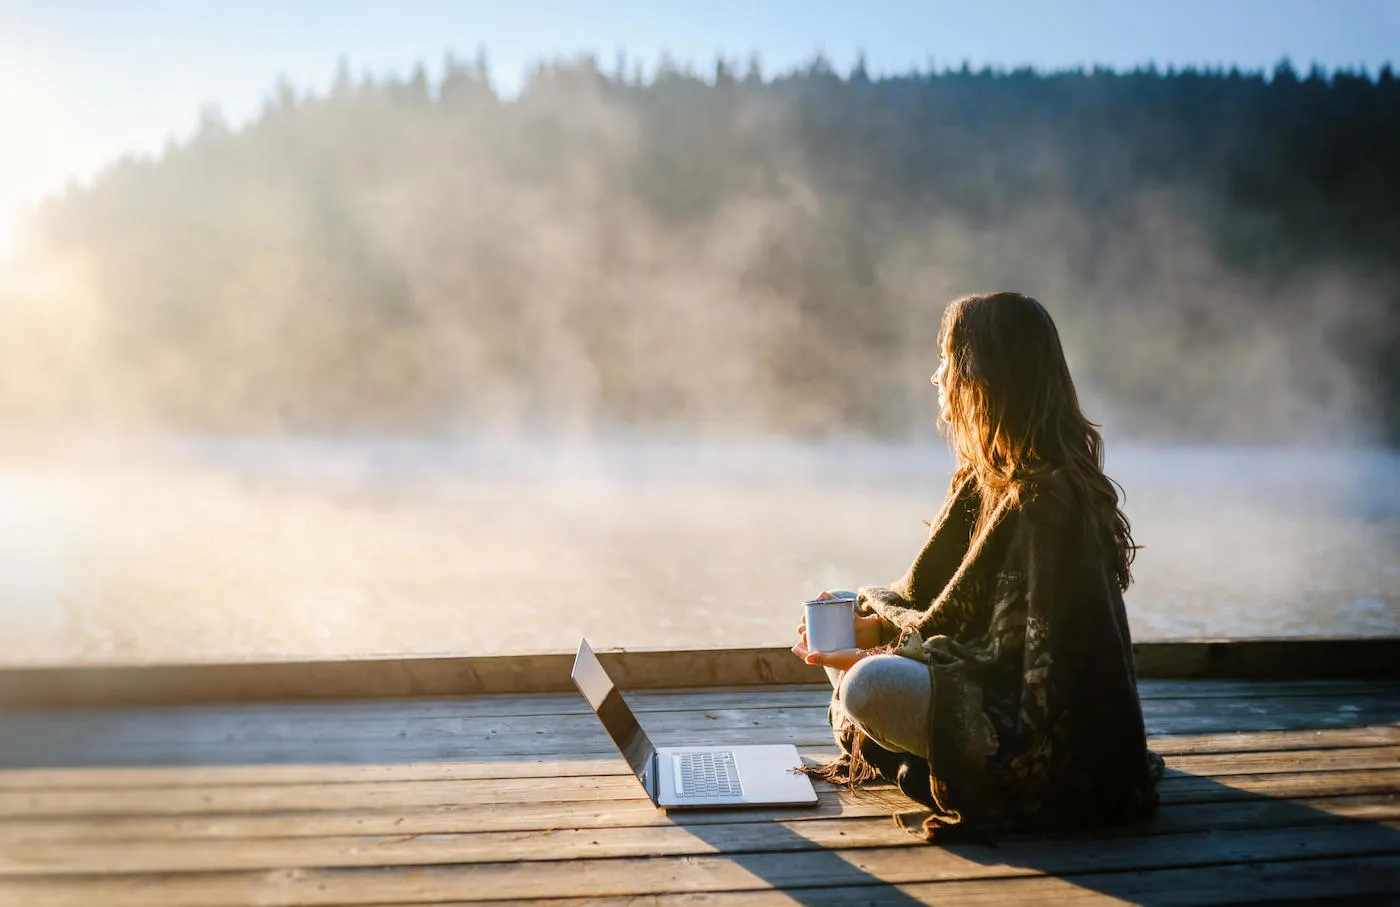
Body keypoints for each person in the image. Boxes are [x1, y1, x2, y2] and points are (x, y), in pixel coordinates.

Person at [791, 291, 1163, 841]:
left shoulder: (1045, 503)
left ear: (985, 376)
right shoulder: (981, 480)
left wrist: (874, 654)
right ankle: (914, 752)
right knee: (842, 609)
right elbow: (938, 608)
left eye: (947, 360)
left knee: (869, 685)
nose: (936, 377)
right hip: (975, 671)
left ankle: (929, 763)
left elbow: (1016, 660)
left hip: (1040, 735)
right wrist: (871, 629)